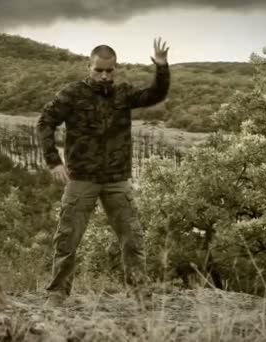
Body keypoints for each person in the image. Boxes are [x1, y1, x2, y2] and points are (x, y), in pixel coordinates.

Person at [36, 37, 170, 307]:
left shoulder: (123, 93)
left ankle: (140, 293)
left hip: (116, 180)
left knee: (132, 238)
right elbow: (45, 122)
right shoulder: (72, 94)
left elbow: (155, 94)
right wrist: (54, 161)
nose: (105, 75)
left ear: (115, 69)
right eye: (99, 70)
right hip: (81, 179)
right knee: (67, 237)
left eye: (110, 70)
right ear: (89, 66)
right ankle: (57, 293)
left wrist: (162, 66)